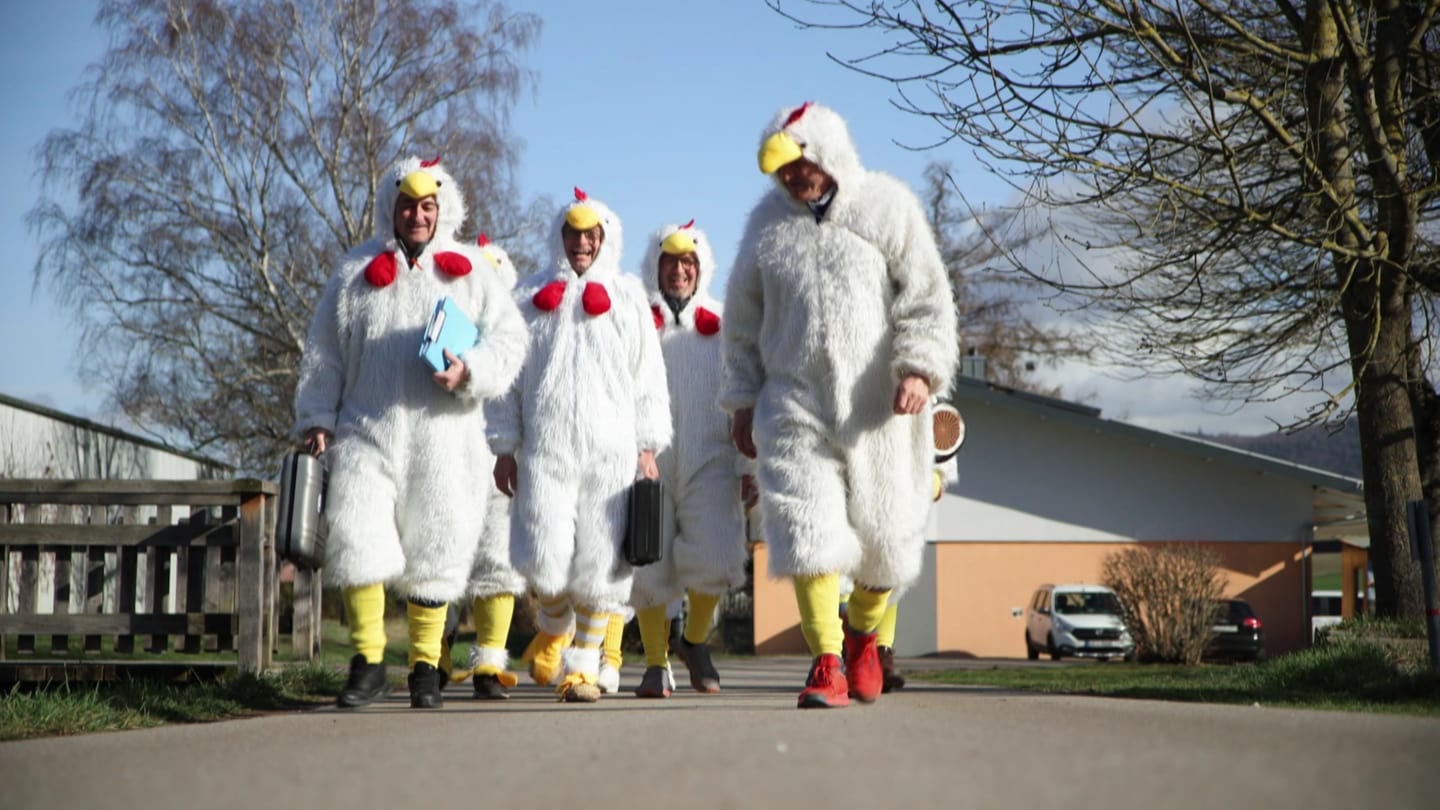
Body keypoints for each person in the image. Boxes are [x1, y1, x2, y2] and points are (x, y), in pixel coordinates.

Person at [722, 102, 959, 709]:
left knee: (888, 535)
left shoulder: (886, 207)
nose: (793, 178)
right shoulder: (765, 228)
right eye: (783, 171)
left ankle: (861, 636)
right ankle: (825, 661)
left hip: (879, 404)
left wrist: (919, 367)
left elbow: (927, 295)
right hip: (792, 402)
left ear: (827, 153)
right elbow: (743, 324)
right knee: (807, 529)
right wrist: (744, 401)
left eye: (801, 164)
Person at [294, 155, 527, 710]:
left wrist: (470, 370)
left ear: (442, 210)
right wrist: (317, 417)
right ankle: (368, 661)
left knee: (437, 545)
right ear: (389, 208)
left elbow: (510, 341)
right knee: (356, 535)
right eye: (406, 205)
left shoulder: (473, 271)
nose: (417, 216)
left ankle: (425, 665)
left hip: (446, 437)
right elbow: (322, 351)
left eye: (427, 206)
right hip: (365, 429)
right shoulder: (354, 272)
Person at [487, 187, 671, 703]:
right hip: (545, 452)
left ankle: (583, 669)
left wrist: (648, 444)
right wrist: (504, 445)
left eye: (591, 235)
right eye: (573, 234)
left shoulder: (629, 297)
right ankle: (554, 623)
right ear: (559, 236)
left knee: (600, 563)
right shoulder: (526, 297)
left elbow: (648, 377)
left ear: (604, 238)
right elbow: (507, 377)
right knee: (542, 558)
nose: (582, 244)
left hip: (611, 455)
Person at [627, 220, 753, 698]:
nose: (678, 272)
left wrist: (748, 466)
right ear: (654, 267)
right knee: (647, 565)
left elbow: (744, 396)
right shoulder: (635, 321)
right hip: (648, 462)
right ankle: (656, 662)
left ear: (702, 269)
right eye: (669, 262)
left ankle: (695, 641)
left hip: (712, 459)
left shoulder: (726, 325)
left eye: (687, 263)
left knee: (718, 554)